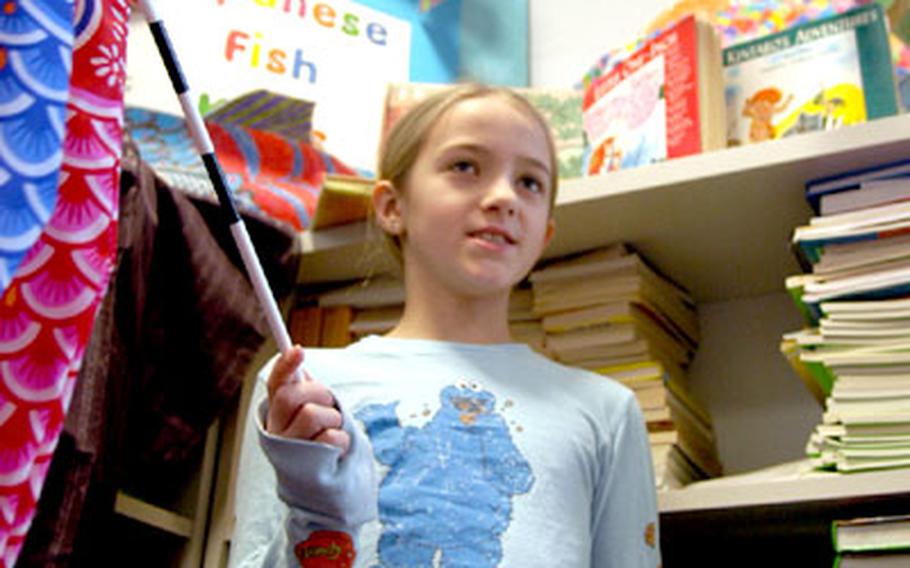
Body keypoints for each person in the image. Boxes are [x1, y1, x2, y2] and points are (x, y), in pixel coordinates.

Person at [230, 83, 661, 567]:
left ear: (544, 235)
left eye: (530, 182)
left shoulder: (605, 411)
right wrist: (312, 509)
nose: (503, 196)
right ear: (393, 207)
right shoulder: (303, 390)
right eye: (465, 167)